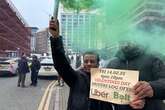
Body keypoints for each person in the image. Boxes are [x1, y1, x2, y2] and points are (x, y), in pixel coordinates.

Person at [49, 18, 144, 110]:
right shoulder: (76, 77)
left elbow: (119, 97)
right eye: (86, 61)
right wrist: (56, 38)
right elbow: (61, 64)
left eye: (92, 61)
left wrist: (132, 101)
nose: (89, 64)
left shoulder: (107, 79)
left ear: (98, 63)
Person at [106, 41, 165, 110]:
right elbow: (107, 93)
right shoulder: (112, 63)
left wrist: (152, 87)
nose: (125, 43)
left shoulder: (153, 58)